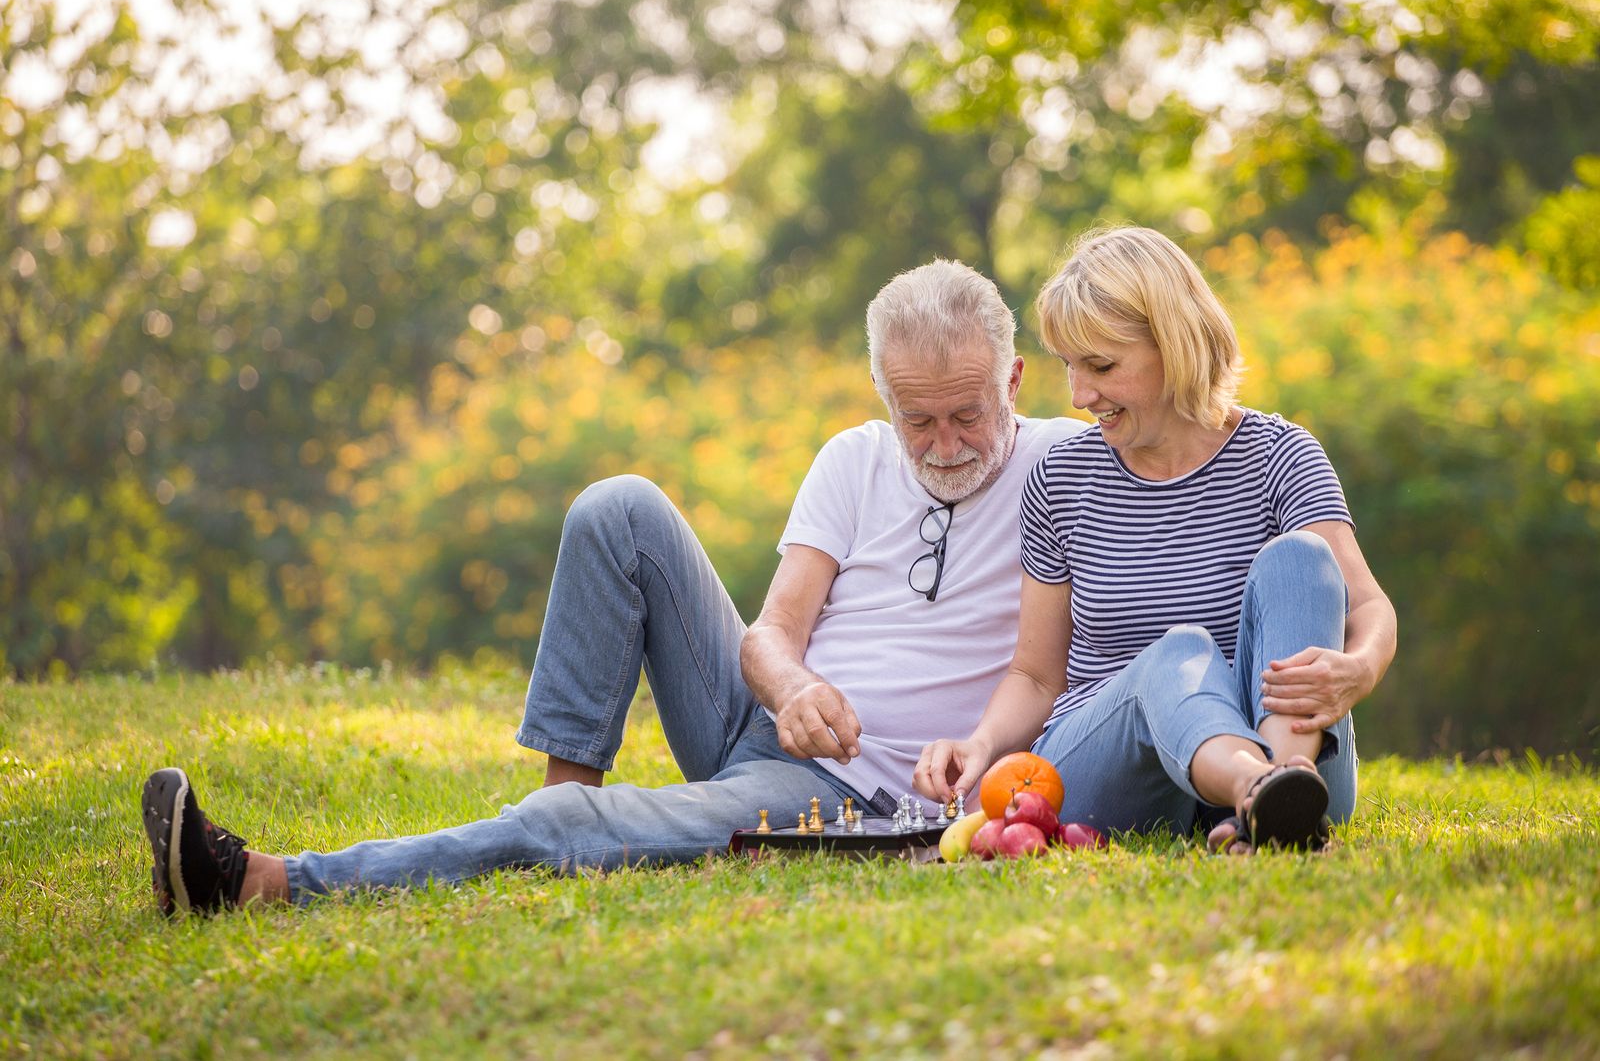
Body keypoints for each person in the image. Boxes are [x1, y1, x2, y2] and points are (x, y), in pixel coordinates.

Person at [141, 260, 1086, 914]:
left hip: (848, 798)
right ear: (884, 393)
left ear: (1013, 378)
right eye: (918, 418)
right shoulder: (855, 456)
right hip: (767, 727)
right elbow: (769, 634)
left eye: (969, 412)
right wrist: (794, 689)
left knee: (583, 822)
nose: (946, 443)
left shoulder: (1072, 463)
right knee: (618, 505)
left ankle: (275, 881)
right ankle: (569, 815)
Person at [913, 227, 1397, 853]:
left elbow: (1370, 607)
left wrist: (1357, 670)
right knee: (1177, 651)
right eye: (1069, 366)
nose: (1081, 396)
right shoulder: (1061, 479)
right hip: (1114, 773)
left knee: (1302, 559)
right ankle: (1264, 796)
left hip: (1292, 746)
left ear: (1175, 344)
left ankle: (1284, 788)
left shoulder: (1282, 457)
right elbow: (1036, 674)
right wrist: (981, 744)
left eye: (1102, 366)